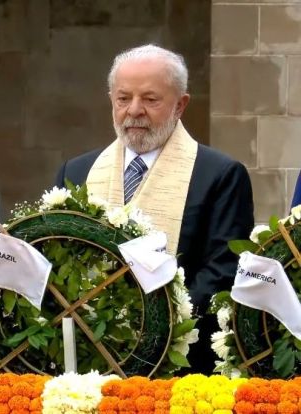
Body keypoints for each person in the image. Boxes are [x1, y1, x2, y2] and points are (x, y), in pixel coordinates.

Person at [54, 44, 254, 374]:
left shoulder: (220, 175)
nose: (134, 110)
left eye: (150, 99)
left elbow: (222, 270)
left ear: (180, 105)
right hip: (90, 358)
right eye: (123, 98)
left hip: (182, 363)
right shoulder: (76, 172)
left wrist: (156, 327)